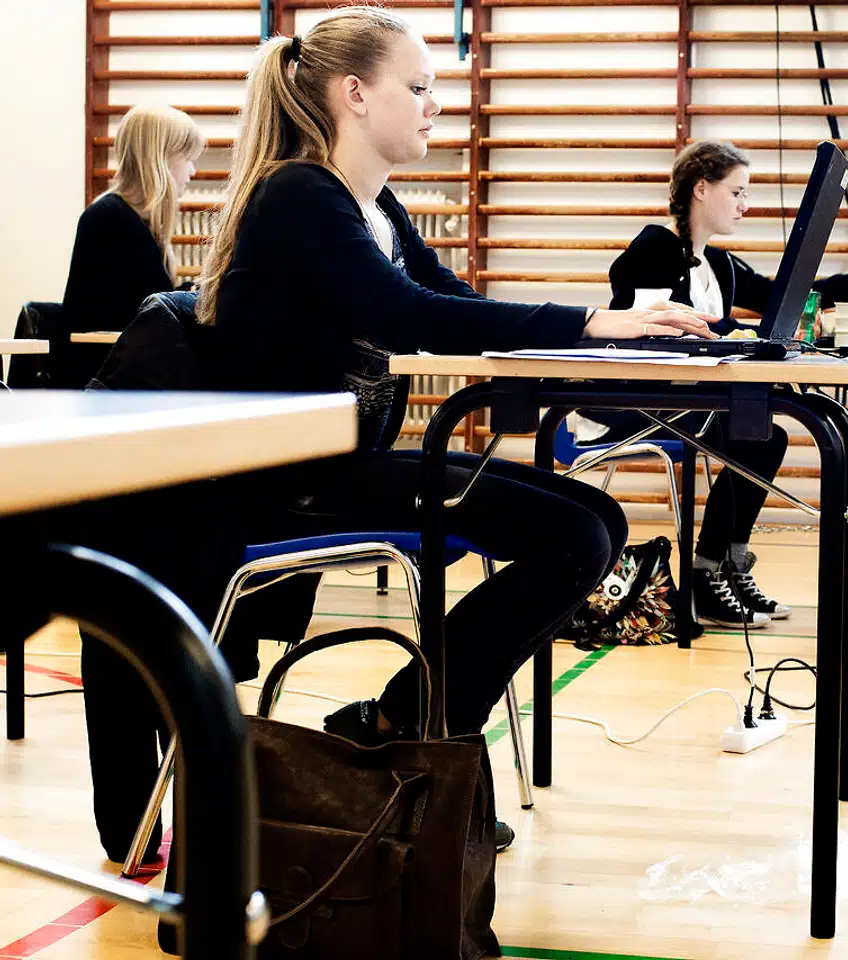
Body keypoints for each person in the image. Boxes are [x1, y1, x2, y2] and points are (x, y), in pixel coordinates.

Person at [201, 6, 713, 813]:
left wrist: (605, 331)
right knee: (575, 538)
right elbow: (408, 314)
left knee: (600, 523)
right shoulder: (298, 194)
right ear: (354, 94)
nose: (435, 104)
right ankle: (416, 741)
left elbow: (456, 303)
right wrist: (591, 321)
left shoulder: (378, 209)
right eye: (418, 87)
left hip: (344, 465)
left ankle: (402, 726)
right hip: (286, 480)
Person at [586, 139, 848, 627]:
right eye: (737, 192)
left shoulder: (719, 264)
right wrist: (737, 335)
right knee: (750, 436)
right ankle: (707, 575)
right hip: (630, 404)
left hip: (689, 402)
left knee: (764, 436)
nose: (745, 204)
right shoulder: (655, 247)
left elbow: (785, 295)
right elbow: (649, 328)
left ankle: (724, 565)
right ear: (701, 189)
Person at [58, 104, 203, 386]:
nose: (193, 171)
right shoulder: (111, 219)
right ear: (161, 159)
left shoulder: (129, 220)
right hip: (103, 384)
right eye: (187, 158)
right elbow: (142, 315)